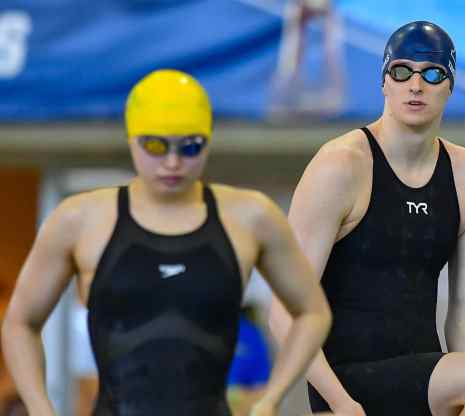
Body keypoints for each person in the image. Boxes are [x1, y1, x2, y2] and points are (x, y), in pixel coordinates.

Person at [1, 69, 331, 416]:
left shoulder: (251, 217)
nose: (172, 162)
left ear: (207, 140)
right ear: (132, 138)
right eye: (155, 146)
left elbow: (312, 313)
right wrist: (39, 407)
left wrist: (271, 398)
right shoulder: (79, 220)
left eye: (190, 147)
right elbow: (20, 321)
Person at [269, 20, 465, 416]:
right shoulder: (342, 166)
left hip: (425, 378)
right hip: (346, 380)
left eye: (432, 73)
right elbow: (285, 312)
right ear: (384, 81)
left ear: (450, 86)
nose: (415, 85)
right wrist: (340, 404)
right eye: (402, 71)